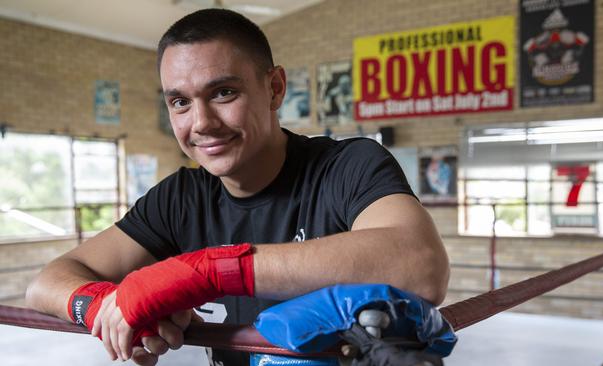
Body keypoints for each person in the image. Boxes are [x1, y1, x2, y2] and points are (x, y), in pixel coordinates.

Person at [25, 8, 450, 366]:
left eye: (224, 92)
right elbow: (46, 283)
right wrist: (107, 305)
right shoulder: (180, 198)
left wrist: (210, 271)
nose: (202, 123)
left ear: (275, 88)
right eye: (180, 102)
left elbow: (421, 264)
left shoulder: (346, 166)